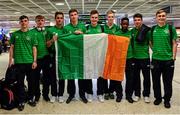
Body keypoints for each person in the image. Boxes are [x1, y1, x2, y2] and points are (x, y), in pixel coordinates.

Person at [9, 15, 37, 111]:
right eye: (22, 21)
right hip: (19, 63)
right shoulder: (15, 34)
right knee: (20, 83)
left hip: (29, 62)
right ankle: (21, 100)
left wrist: (34, 61)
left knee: (31, 82)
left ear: (28, 22)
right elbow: (11, 48)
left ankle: (30, 98)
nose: (24, 23)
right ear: (19, 23)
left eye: (25, 21)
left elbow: (34, 48)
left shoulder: (32, 34)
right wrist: (11, 60)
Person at [150, 9, 177, 108]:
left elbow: (174, 43)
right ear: (156, 18)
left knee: (167, 82)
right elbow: (150, 43)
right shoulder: (152, 29)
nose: (161, 17)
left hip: (168, 61)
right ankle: (157, 98)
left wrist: (173, 57)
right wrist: (155, 50)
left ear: (165, 17)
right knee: (156, 81)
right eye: (159, 16)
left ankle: (167, 99)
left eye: (163, 16)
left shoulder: (170, 28)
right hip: (156, 60)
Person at [63, 9, 86, 104]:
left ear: (77, 16)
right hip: (70, 55)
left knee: (81, 76)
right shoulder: (66, 27)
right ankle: (71, 95)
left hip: (80, 55)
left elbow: (86, 38)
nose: (73, 16)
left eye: (75, 14)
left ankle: (82, 94)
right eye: (71, 15)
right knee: (70, 77)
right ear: (69, 17)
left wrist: (82, 33)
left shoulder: (82, 26)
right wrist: (72, 34)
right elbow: (63, 40)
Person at [85, 9, 105, 103]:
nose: (94, 19)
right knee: (88, 73)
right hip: (89, 55)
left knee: (100, 74)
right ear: (90, 18)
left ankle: (100, 93)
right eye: (92, 17)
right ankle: (89, 92)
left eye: (96, 17)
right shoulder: (86, 28)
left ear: (98, 18)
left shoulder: (102, 28)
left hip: (99, 55)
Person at [31, 15, 51, 103]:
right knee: (35, 78)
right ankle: (37, 95)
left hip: (46, 58)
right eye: (38, 20)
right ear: (36, 22)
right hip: (36, 59)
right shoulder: (32, 32)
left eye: (42, 20)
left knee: (46, 78)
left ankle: (45, 95)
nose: (40, 22)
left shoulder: (47, 31)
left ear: (44, 21)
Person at [131, 13, 151, 103]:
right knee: (136, 78)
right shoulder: (132, 31)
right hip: (135, 58)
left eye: (138, 20)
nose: (137, 22)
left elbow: (150, 43)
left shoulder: (147, 31)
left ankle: (146, 95)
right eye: (135, 20)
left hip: (145, 58)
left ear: (141, 21)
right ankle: (137, 94)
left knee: (146, 78)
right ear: (133, 21)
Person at [46, 12, 65, 103]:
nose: (59, 19)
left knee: (62, 75)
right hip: (53, 56)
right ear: (55, 19)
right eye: (58, 18)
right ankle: (53, 94)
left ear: (63, 19)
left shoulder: (65, 30)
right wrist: (52, 40)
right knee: (52, 76)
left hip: (63, 56)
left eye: (61, 18)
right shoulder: (50, 30)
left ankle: (61, 94)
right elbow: (47, 45)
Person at [116, 17, 134, 103]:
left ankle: (128, 95)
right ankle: (119, 95)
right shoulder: (117, 33)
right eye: (123, 24)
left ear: (128, 25)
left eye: (126, 24)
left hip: (129, 58)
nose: (125, 25)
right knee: (118, 78)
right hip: (119, 59)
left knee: (129, 78)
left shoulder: (131, 33)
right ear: (121, 24)